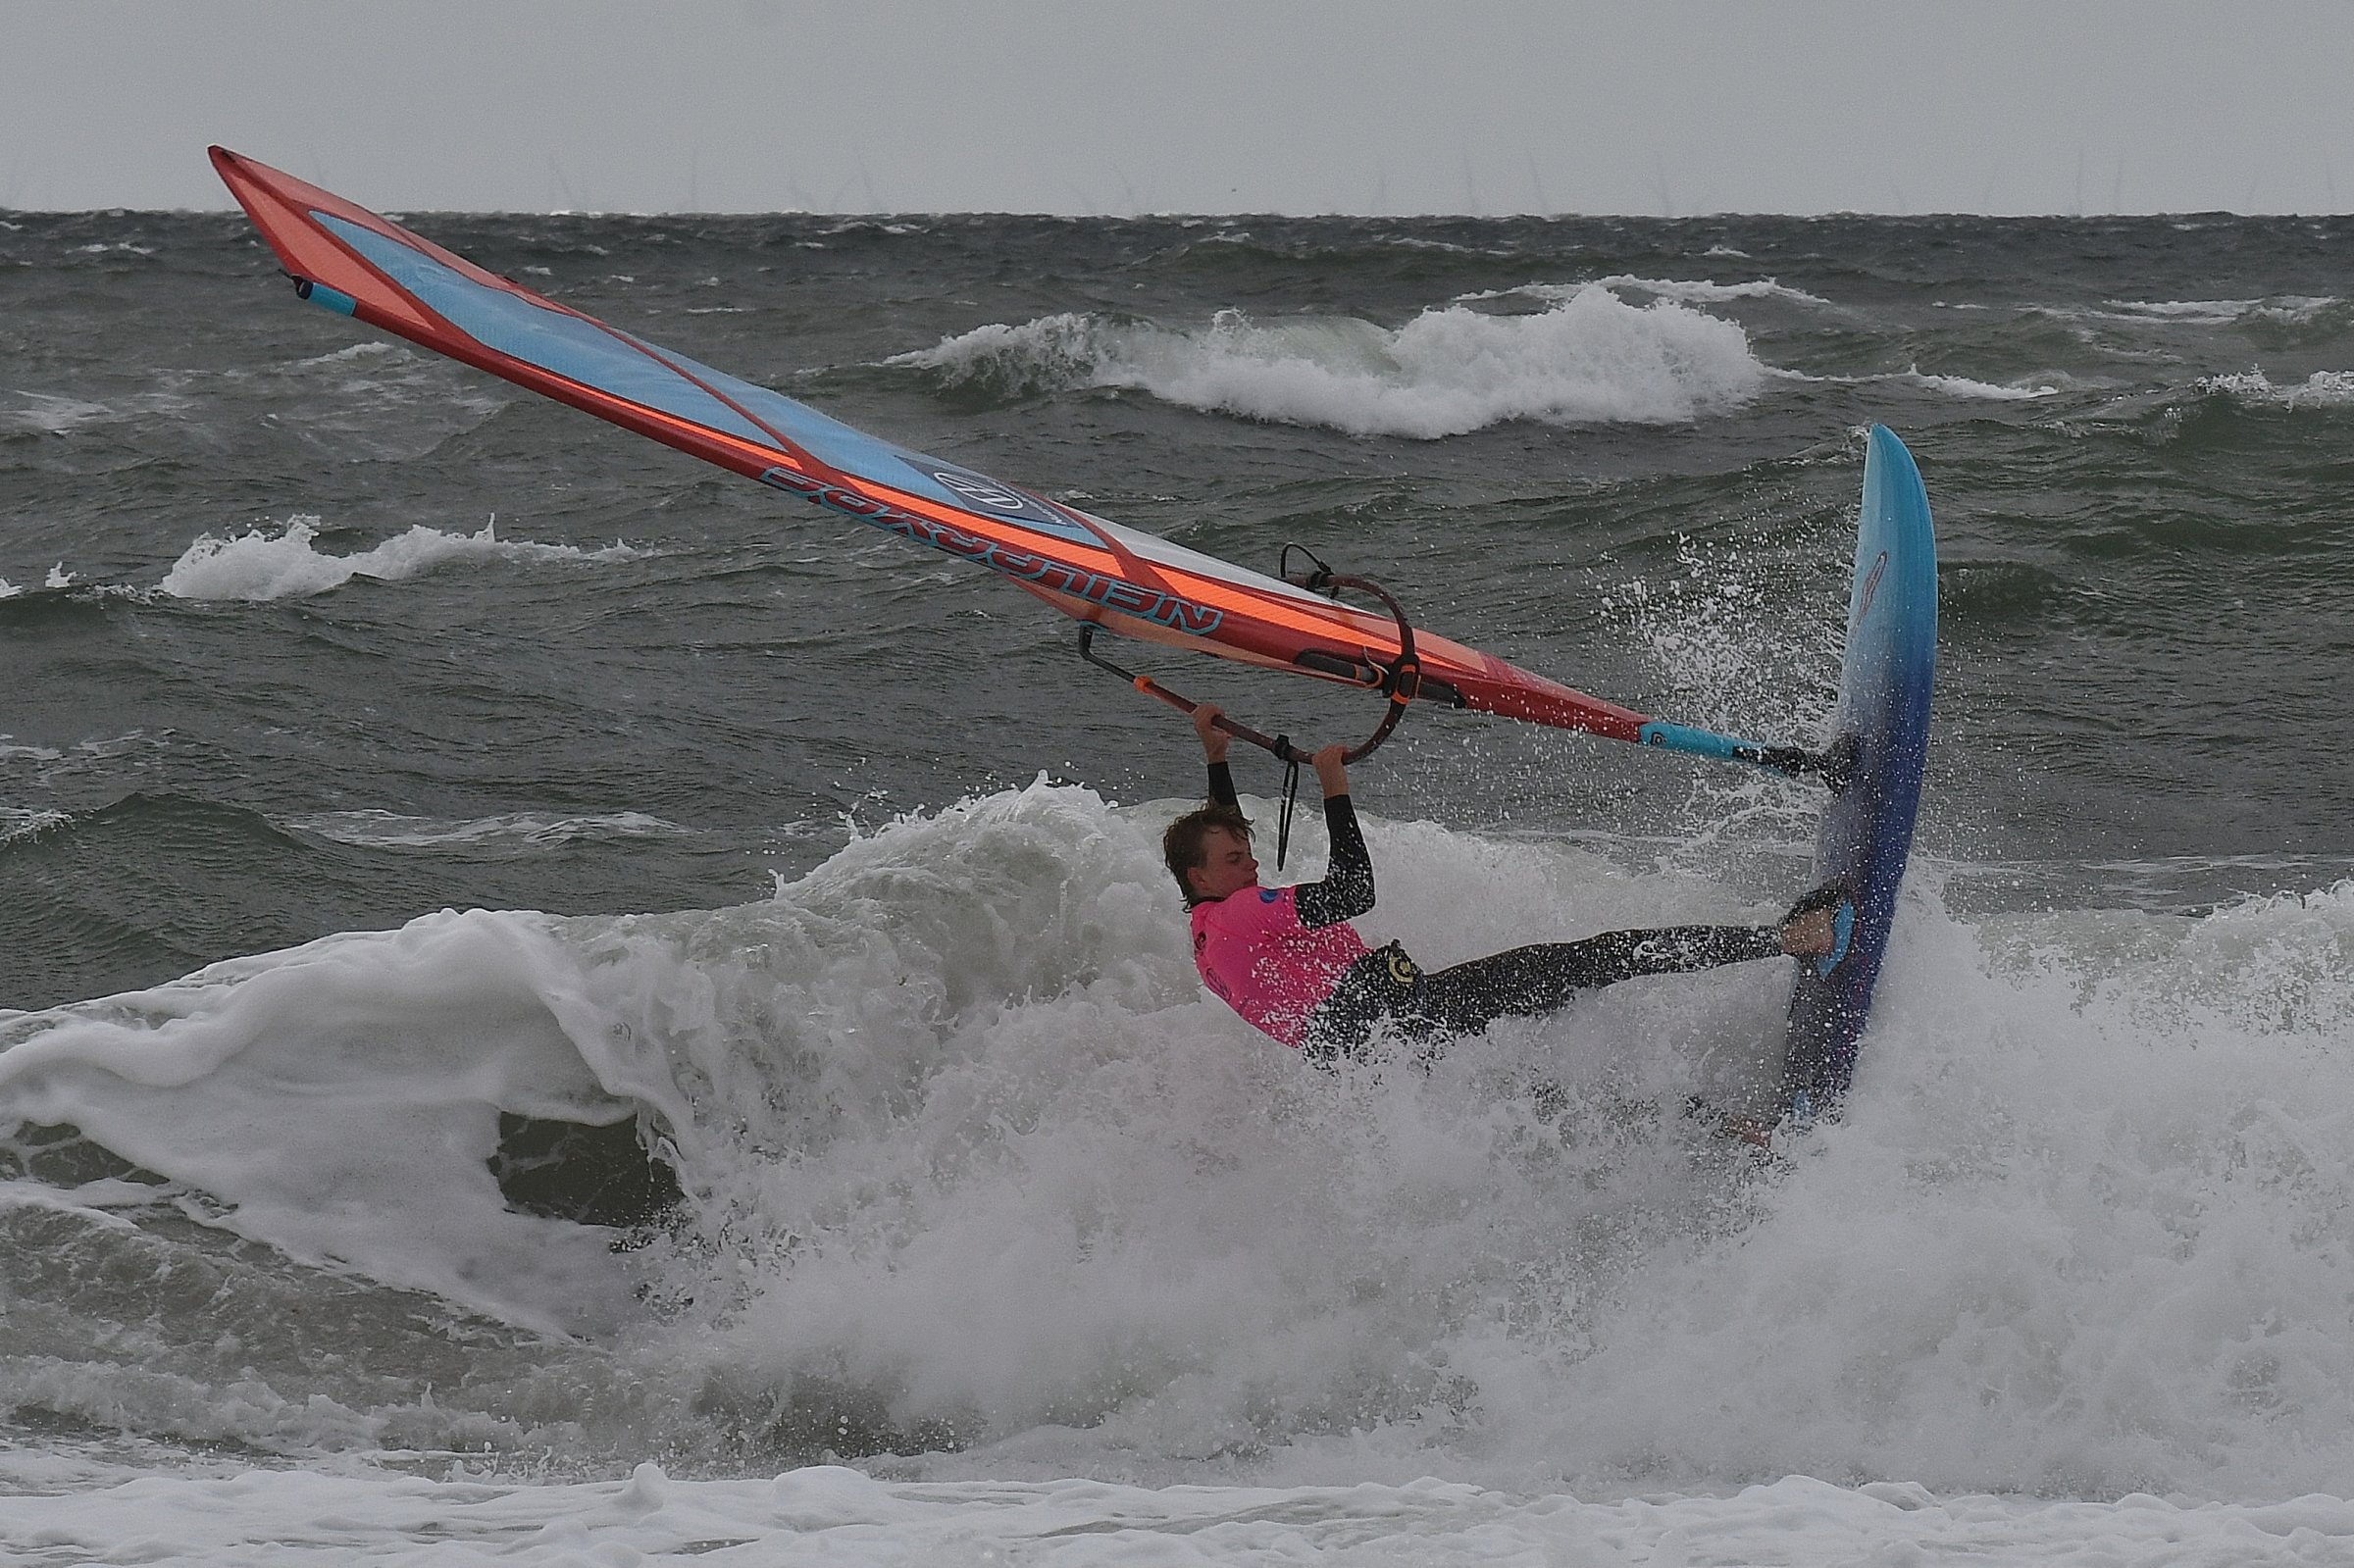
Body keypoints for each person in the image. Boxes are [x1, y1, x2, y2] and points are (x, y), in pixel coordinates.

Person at [1163, 704, 1851, 1064]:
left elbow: (1216, 839)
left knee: (1553, 1076)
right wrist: (1335, 788)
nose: (1250, 865)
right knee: (1595, 958)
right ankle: (1796, 938)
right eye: (1235, 860)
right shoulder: (1245, 910)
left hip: (1379, 1059)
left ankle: (1736, 1130)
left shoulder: (1209, 934)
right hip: (1404, 1017)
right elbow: (1352, 893)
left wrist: (1214, 752)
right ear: (1202, 876)